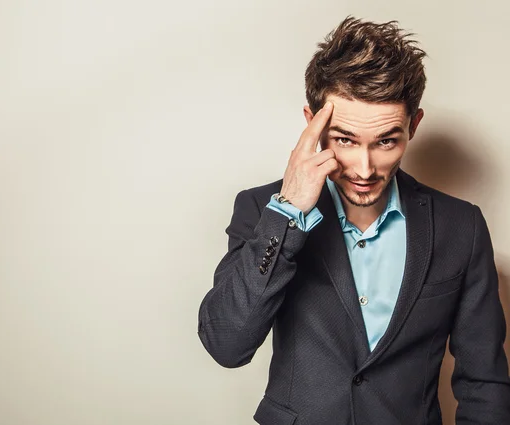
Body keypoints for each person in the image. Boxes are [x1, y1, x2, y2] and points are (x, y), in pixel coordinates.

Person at [197, 16, 510, 425]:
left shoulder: (461, 227)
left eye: (386, 141)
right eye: (345, 139)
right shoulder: (262, 210)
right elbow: (226, 344)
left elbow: (483, 382)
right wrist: (289, 211)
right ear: (313, 124)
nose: (364, 169)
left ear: (413, 126)